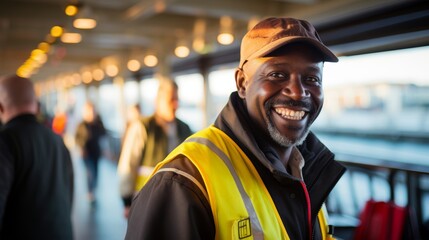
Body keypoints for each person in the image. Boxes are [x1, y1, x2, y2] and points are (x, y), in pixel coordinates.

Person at [125, 17, 347, 240]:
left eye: (312, 78)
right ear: (242, 83)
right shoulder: (185, 182)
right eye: (277, 75)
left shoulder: (308, 171)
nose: (299, 93)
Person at [0, 75, 74, 239]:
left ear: (1, 107)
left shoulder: (5, 141)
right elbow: (69, 193)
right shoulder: (57, 140)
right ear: (36, 105)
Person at [117, 79, 192, 218]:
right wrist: (127, 201)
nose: (176, 104)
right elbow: (128, 164)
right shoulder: (142, 127)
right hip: (145, 200)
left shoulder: (185, 129)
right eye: (171, 100)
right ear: (158, 101)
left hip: (176, 202)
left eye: (177, 99)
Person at [75, 101, 106, 205]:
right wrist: (81, 148)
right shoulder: (81, 125)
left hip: (96, 152)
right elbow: (77, 138)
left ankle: (93, 190)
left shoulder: (98, 123)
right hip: (86, 154)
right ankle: (90, 192)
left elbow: (103, 134)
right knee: (90, 173)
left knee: (96, 172)